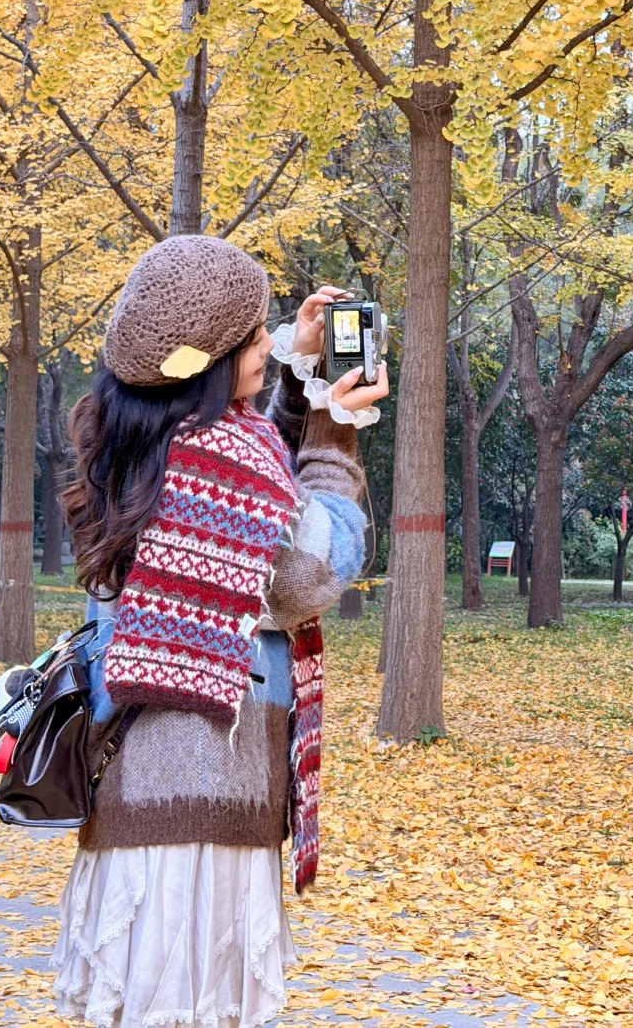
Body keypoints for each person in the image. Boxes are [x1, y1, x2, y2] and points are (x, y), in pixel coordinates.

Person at [51, 236, 388, 1028]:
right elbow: (312, 570)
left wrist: (299, 384)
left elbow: (249, 488)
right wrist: (335, 437)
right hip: (205, 806)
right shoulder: (219, 463)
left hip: (139, 800)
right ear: (207, 364)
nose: (269, 338)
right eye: (254, 333)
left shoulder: (139, 442)